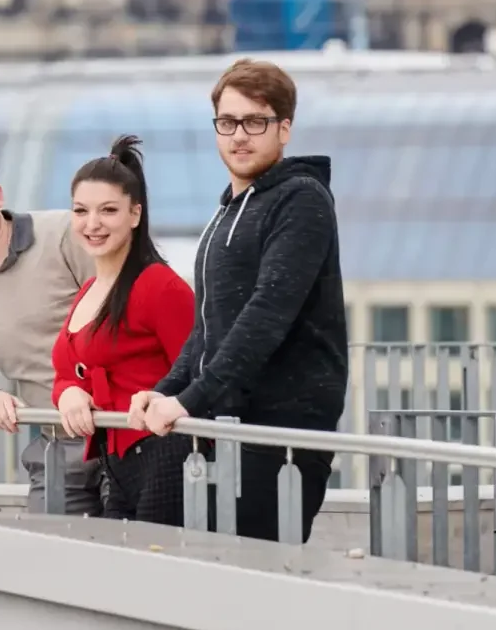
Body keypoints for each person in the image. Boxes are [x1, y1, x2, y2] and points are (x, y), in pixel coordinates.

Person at [129, 58, 348, 543]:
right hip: (219, 422)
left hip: (277, 433)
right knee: (161, 559)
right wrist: (166, 390)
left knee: (252, 587)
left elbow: (266, 316)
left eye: (256, 122)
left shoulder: (301, 200)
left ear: (284, 128)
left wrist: (188, 400)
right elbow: (208, 328)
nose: (239, 136)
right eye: (227, 123)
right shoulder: (228, 210)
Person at [0, 154, 106, 516]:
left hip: (118, 432)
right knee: (46, 561)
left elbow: (127, 314)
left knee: (137, 556)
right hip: (57, 442)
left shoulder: (63, 234)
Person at [51, 135, 195, 524]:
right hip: (116, 462)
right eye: (81, 211)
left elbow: (199, 371)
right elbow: (68, 372)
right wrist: (67, 396)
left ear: (134, 214)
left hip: (165, 453)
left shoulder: (159, 286)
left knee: (154, 572)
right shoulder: (88, 290)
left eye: (108, 211)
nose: (92, 224)